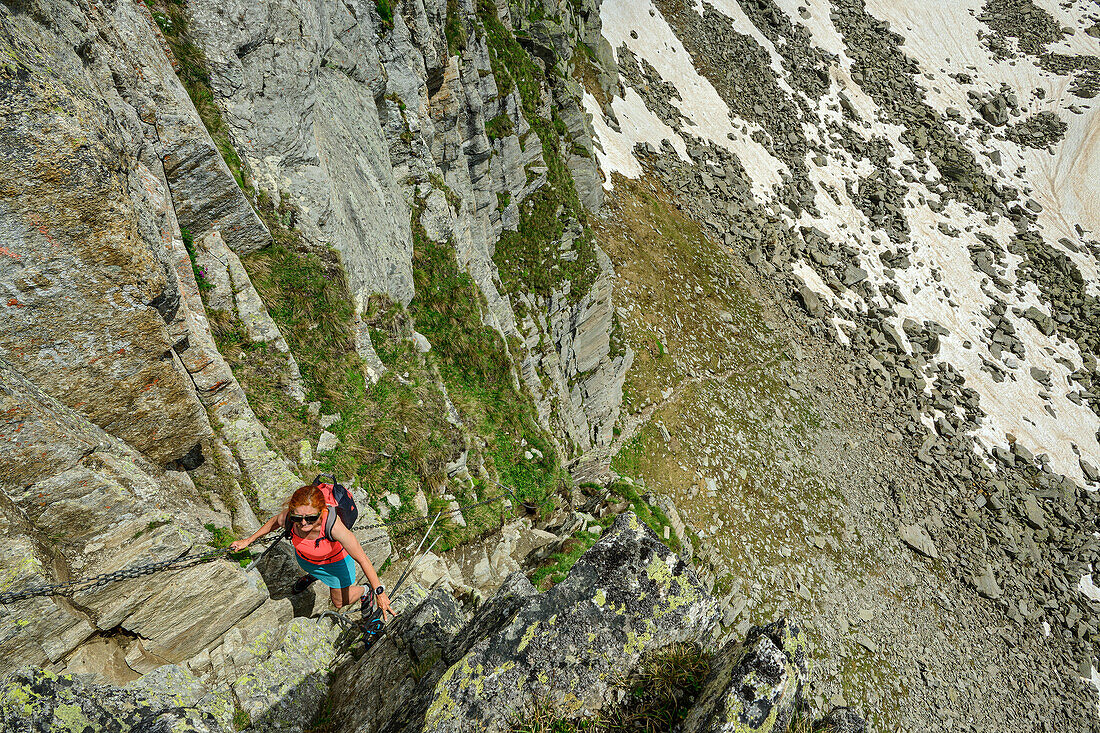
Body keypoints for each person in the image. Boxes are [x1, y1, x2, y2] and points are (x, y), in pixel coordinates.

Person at [230, 484, 396, 621]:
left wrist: (378, 591)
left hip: (335, 565)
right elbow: (274, 522)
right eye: (297, 518)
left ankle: (364, 591)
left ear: (321, 511)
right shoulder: (290, 517)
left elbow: (363, 559)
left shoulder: (333, 526)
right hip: (308, 561)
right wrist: (248, 541)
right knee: (307, 566)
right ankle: (314, 575)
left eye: (310, 518)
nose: (303, 523)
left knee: (339, 602)